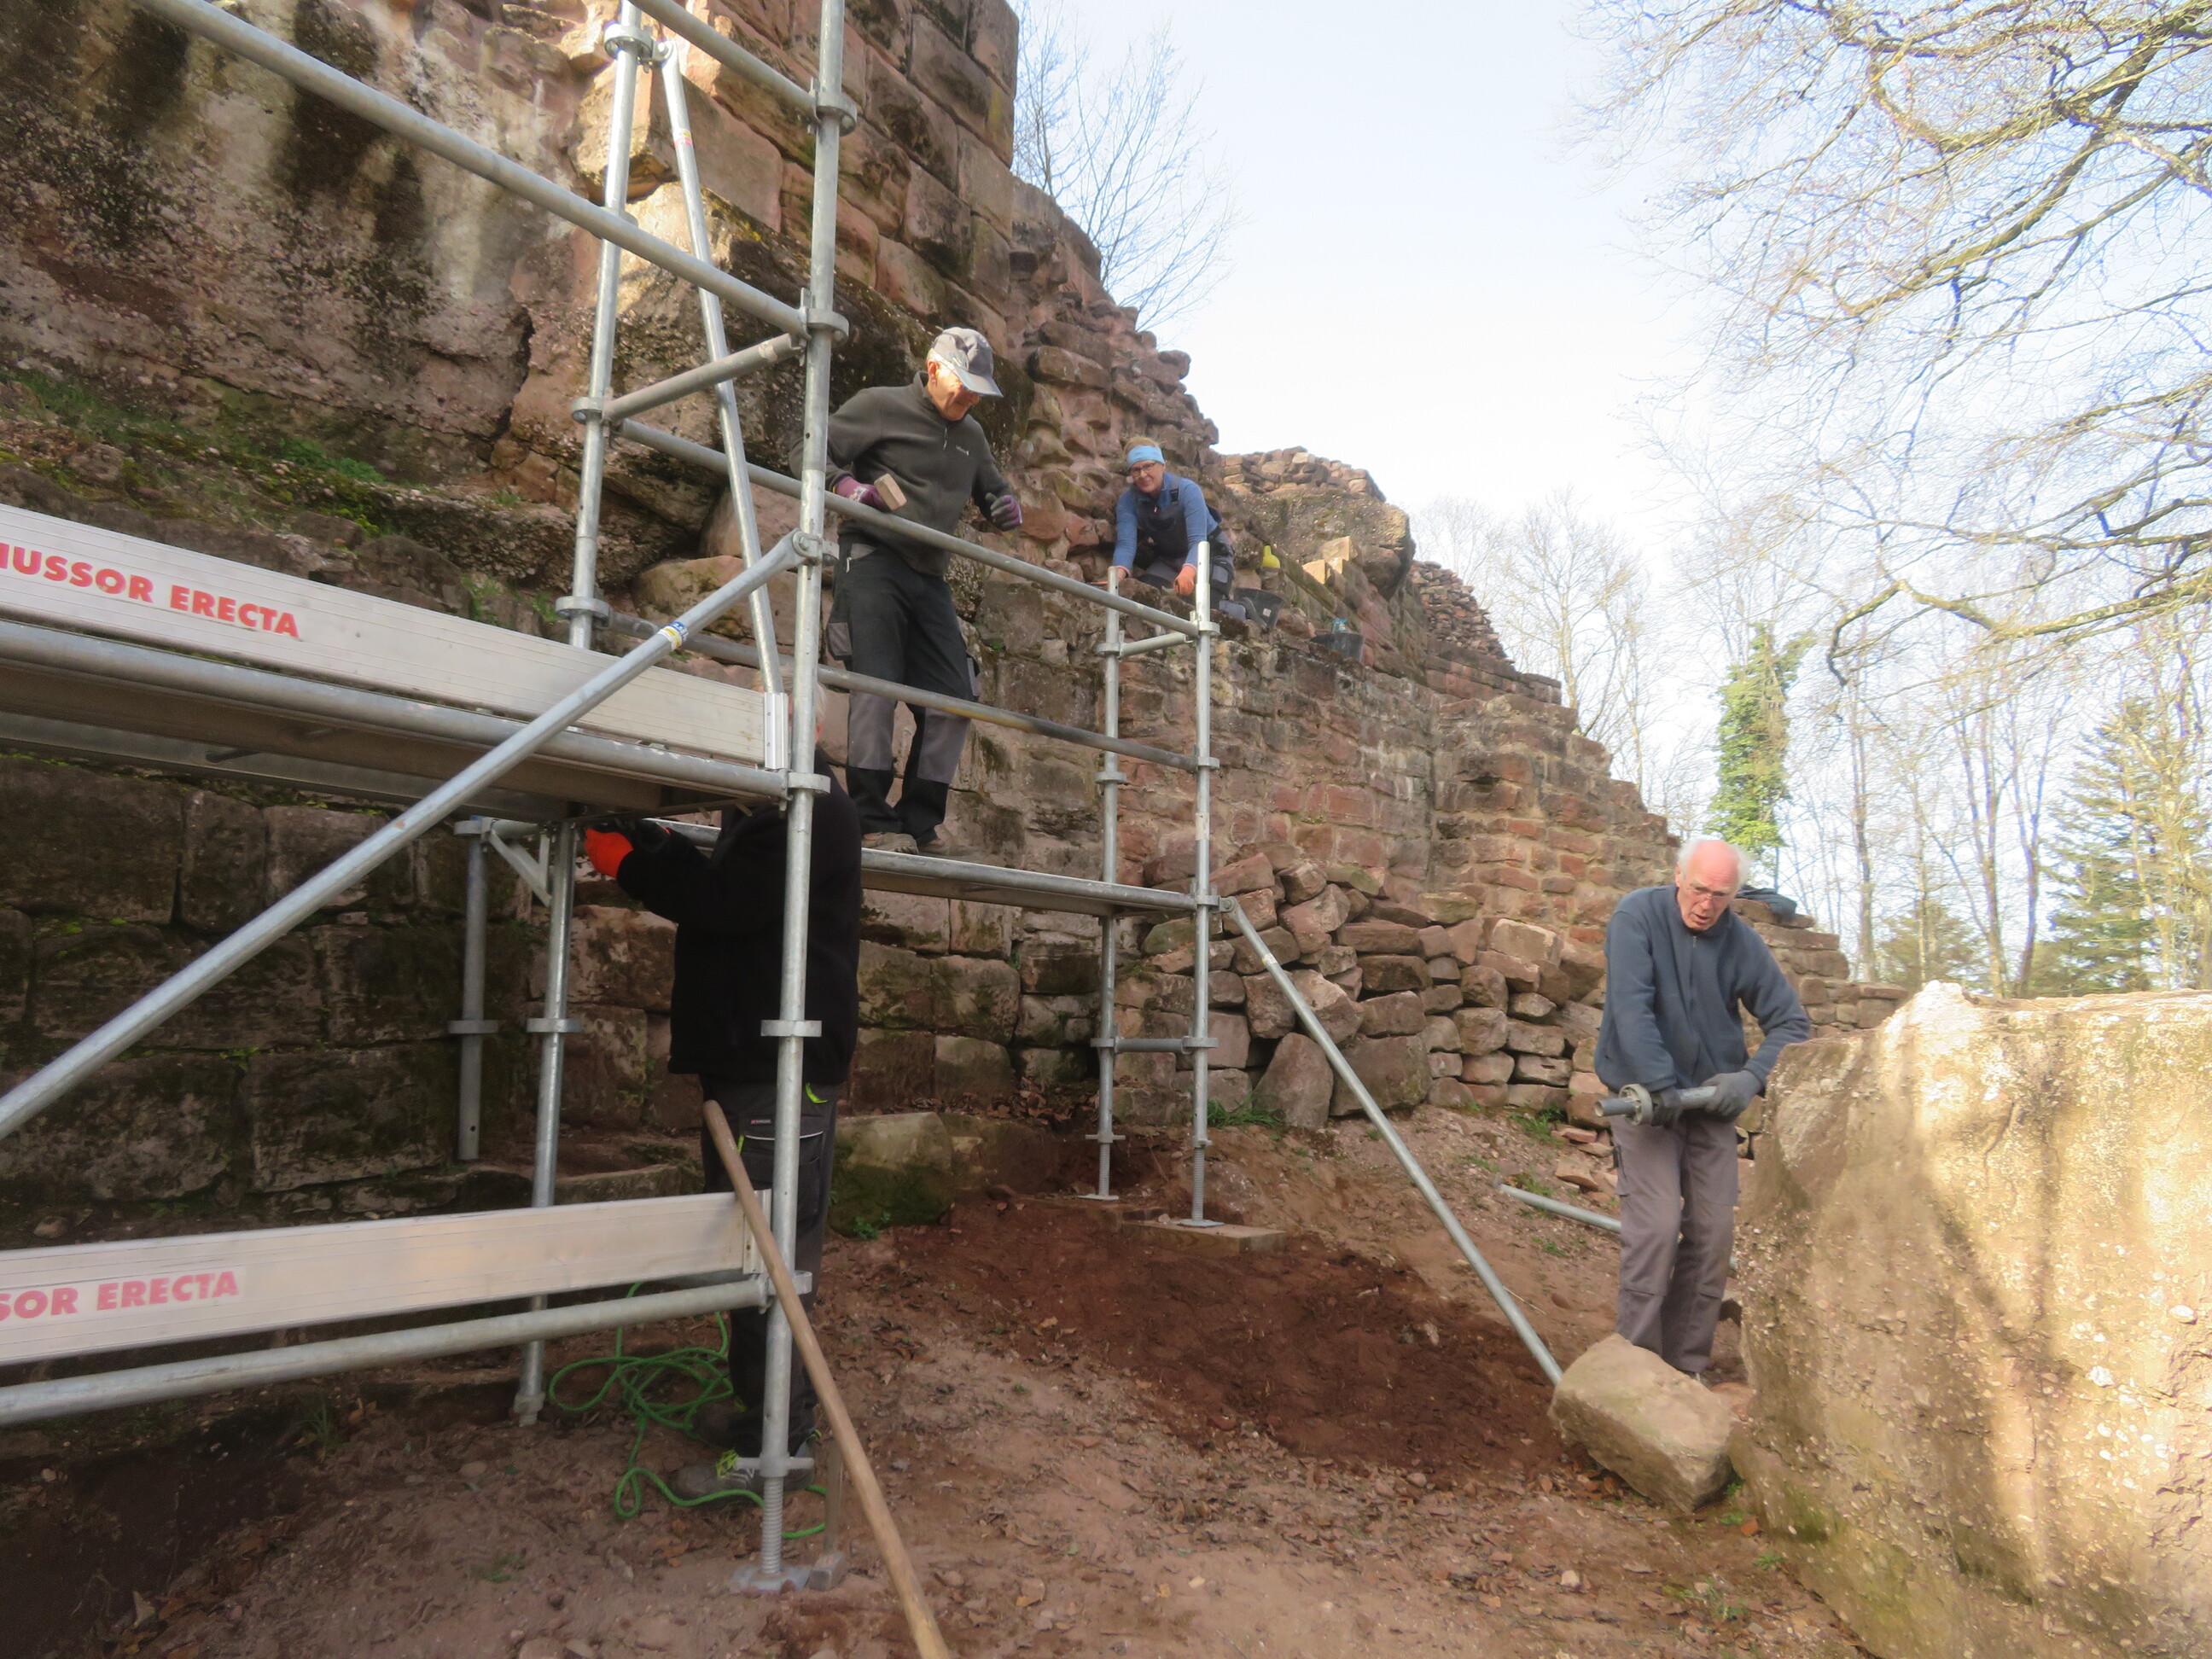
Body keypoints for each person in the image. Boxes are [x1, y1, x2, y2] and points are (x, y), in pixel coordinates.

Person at [583, 759, 862, 1496]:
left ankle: (776, 1451)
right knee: (752, 1256)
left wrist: (630, 867)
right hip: (755, 1065)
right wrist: (657, 844)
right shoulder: (770, 806)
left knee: (772, 1265)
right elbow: (728, 886)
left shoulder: (810, 809)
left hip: (778, 1073)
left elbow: (726, 903)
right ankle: (759, 1418)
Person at [1593, 837, 1811, 1377]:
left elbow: (1791, 1023)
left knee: (1713, 1236)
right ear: (1677, 876)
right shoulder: (1636, 917)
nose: (1706, 904)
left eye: (1721, 895)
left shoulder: (1741, 942)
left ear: (1735, 895)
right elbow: (1631, 1008)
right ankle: (1635, 1367)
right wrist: (1659, 1082)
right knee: (1657, 1228)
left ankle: (1684, 1367)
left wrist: (1750, 1078)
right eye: (1698, 889)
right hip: (1646, 1103)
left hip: (1709, 1107)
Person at [821, 326, 1022, 858]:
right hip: (872, 558)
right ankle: (869, 816)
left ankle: (920, 821)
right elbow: (811, 447)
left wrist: (1004, 507)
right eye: (964, 385)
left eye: (979, 391)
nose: (970, 398)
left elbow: (994, 490)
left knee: (954, 697)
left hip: (929, 575)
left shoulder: (972, 435)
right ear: (934, 369)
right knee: (876, 686)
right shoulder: (879, 405)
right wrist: (848, 487)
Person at [1109, 441, 1218, 597]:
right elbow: (1126, 544)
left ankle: (1244, 607)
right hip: (1170, 558)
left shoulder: (1187, 490)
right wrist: (1116, 579)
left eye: (1148, 466)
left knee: (1208, 601)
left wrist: (1188, 573)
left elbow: (1198, 541)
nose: (1143, 475)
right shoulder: (1128, 501)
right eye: (1136, 470)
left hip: (1212, 554)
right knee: (1147, 595)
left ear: (1162, 466)